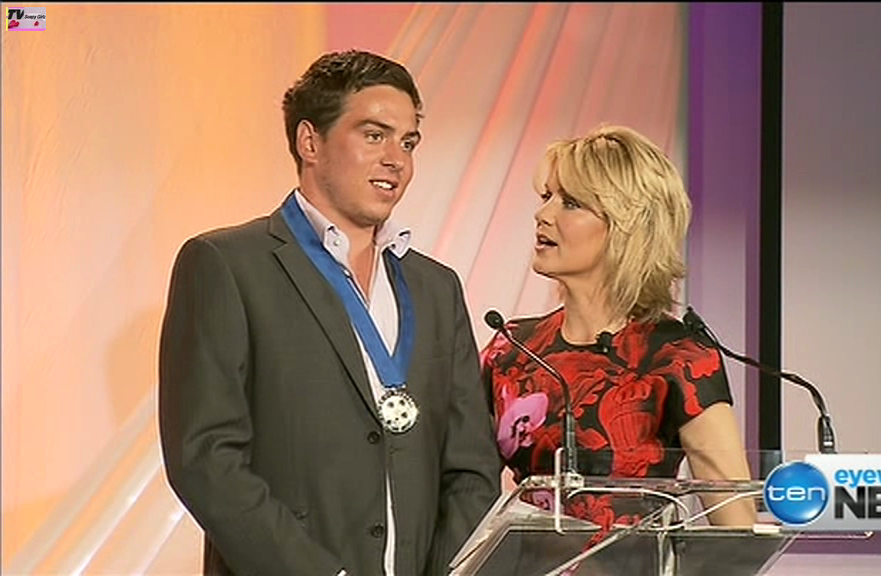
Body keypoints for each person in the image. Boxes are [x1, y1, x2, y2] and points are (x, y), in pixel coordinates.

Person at [158, 49, 502, 576]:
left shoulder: (436, 287)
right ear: (310, 142)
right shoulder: (227, 265)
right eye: (374, 135)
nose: (397, 160)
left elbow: (471, 467)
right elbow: (205, 459)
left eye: (408, 142)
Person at [480, 124, 757, 533]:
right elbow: (464, 492)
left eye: (570, 203)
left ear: (628, 226)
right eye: (546, 197)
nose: (543, 215)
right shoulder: (512, 349)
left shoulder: (679, 356)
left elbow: (736, 527)